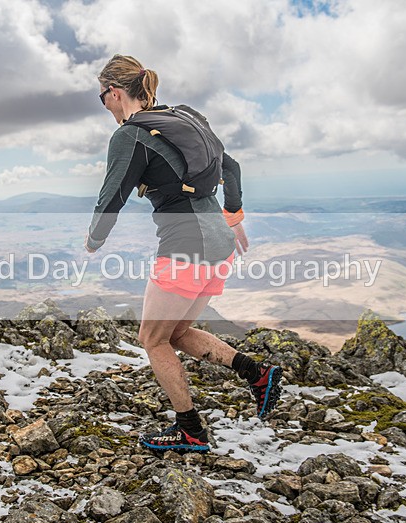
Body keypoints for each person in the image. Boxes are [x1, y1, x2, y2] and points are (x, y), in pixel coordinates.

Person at [84, 54, 282, 452]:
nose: (103, 105)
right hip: (219, 245)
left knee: (152, 339)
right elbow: (231, 167)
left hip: (185, 248)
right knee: (174, 332)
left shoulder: (130, 135)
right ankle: (257, 373)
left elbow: (112, 196)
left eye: (101, 97)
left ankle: (189, 429)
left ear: (115, 92)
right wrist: (233, 216)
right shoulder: (183, 117)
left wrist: (93, 241)